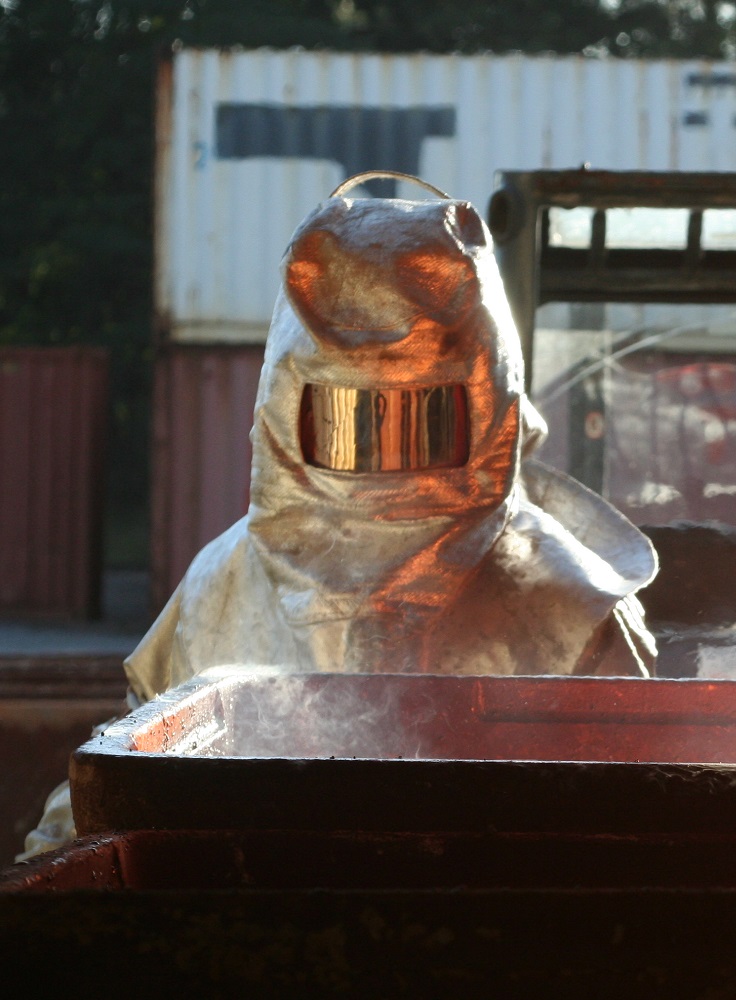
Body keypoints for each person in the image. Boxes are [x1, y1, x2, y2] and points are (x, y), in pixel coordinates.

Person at [18, 175, 657, 858]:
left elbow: (641, 818)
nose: (384, 464)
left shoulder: (567, 604)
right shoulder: (220, 585)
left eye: (424, 417)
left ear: (485, 406)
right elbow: (112, 790)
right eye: (349, 419)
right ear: (288, 411)